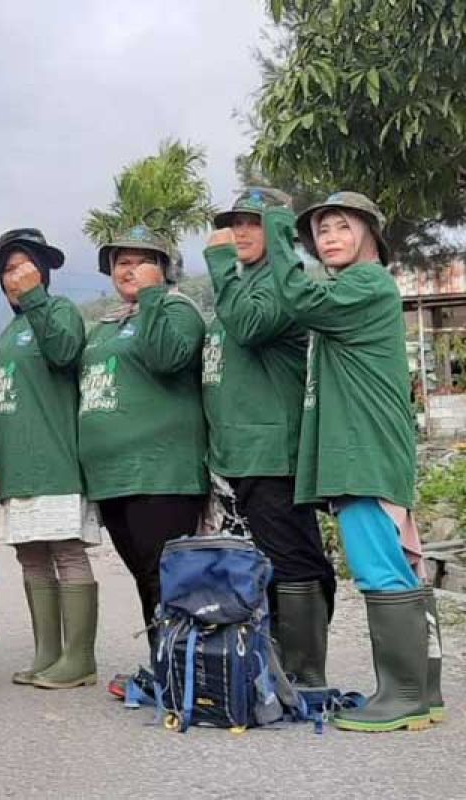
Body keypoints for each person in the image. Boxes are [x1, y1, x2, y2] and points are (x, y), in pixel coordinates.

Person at [269, 192, 442, 732]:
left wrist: (276, 226)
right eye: (320, 230)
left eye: (342, 226)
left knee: (379, 568)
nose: (328, 237)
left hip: (362, 450)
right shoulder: (350, 289)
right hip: (362, 448)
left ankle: (403, 695)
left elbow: (295, 297)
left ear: (370, 234)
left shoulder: (365, 284)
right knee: (400, 563)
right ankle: (424, 693)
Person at [202, 188, 336, 689]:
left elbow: (252, 326)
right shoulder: (239, 285)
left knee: (294, 559)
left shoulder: (283, 281)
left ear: (278, 229)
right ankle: (273, 660)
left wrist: (217, 264)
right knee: (263, 561)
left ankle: (305, 673)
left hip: (271, 451)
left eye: (254, 223)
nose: (239, 233)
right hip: (235, 453)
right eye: (234, 223)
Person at [76, 225, 207, 693]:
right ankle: (165, 665)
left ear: (164, 269)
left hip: (162, 471)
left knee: (165, 574)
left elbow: (168, 357)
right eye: (120, 262)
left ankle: (184, 671)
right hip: (113, 477)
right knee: (144, 575)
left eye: (141, 260)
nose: (128, 269)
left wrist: (151, 299)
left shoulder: (178, 310)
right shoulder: (108, 324)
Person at [0, 228, 97, 689]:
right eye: (9, 271)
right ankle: (47, 652)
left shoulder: (59, 312)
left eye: (25, 266)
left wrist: (36, 299)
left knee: (66, 553)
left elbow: (65, 351)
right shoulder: (7, 334)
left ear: (44, 272)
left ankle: (80, 658)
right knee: (31, 556)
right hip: (18, 467)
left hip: (56, 461)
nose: (17, 277)